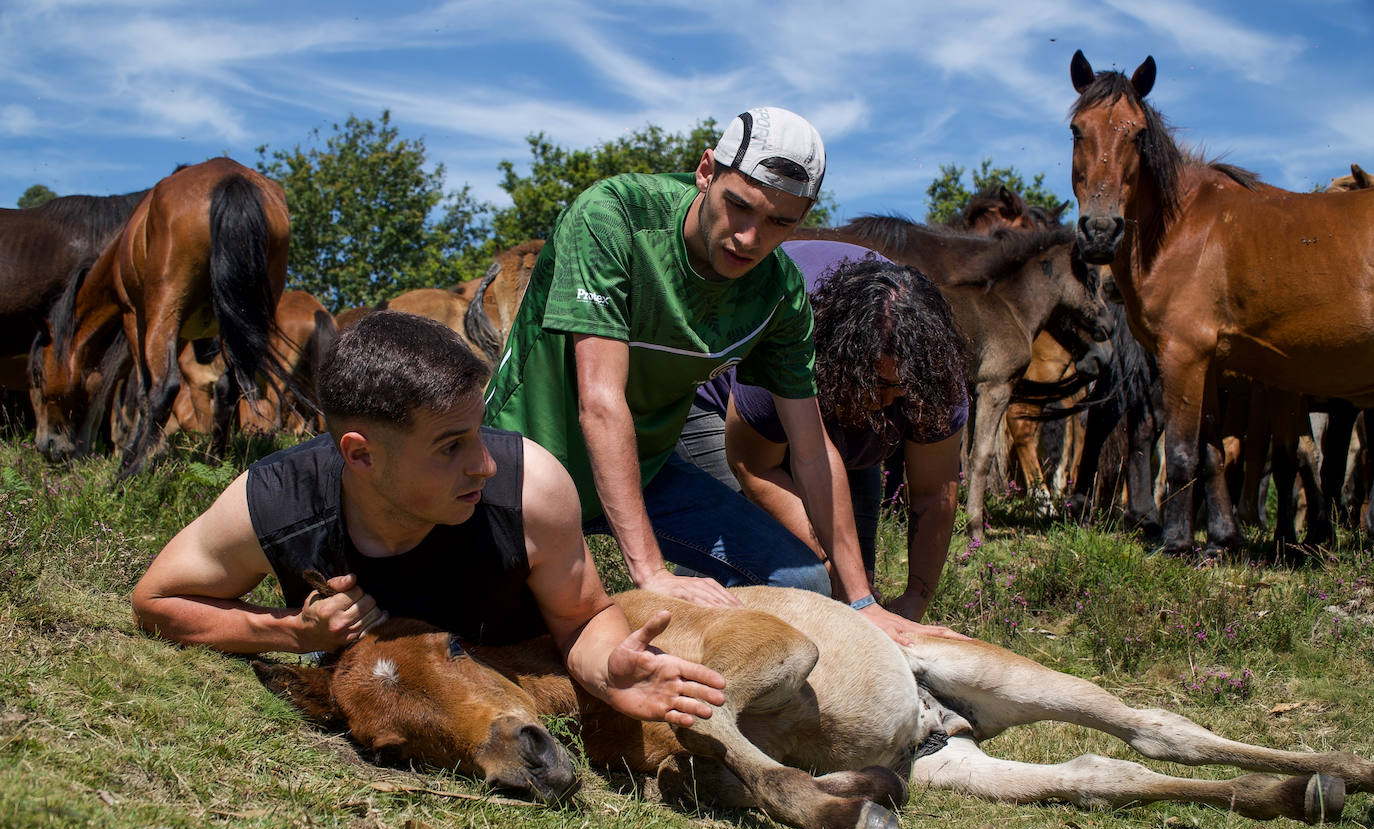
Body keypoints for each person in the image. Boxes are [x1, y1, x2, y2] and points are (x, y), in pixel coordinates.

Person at [485, 107, 956, 644]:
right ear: (707, 171)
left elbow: (810, 448)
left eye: (781, 222)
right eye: (740, 206)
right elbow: (600, 402)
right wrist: (650, 572)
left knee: (800, 581)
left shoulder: (779, 292)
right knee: (499, 632)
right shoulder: (612, 217)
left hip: (649, 466)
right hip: (528, 461)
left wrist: (862, 600)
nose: (750, 239)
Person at [132, 310, 726, 728]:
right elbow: (155, 603)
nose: (485, 464)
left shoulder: (533, 489)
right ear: (360, 455)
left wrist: (609, 669)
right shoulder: (278, 500)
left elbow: (582, 616)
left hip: (520, 694)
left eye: (479, 431)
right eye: (451, 446)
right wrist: (291, 633)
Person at [678, 241, 968, 622]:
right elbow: (754, 467)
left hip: (834, 419)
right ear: (841, 360)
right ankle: (692, 617)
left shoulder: (933, 373)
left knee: (854, 590)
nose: (885, 402)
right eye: (877, 384)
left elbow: (934, 495)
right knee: (788, 567)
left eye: (901, 391)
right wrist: (829, 567)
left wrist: (914, 599)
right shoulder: (787, 340)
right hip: (720, 407)